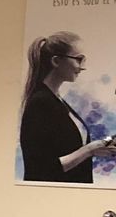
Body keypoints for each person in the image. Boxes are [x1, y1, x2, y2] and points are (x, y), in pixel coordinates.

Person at [18, 31, 116, 183]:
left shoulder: (56, 101)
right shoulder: (40, 103)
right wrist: (89, 150)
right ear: (56, 61)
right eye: (79, 59)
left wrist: (97, 147)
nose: (82, 67)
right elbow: (40, 168)